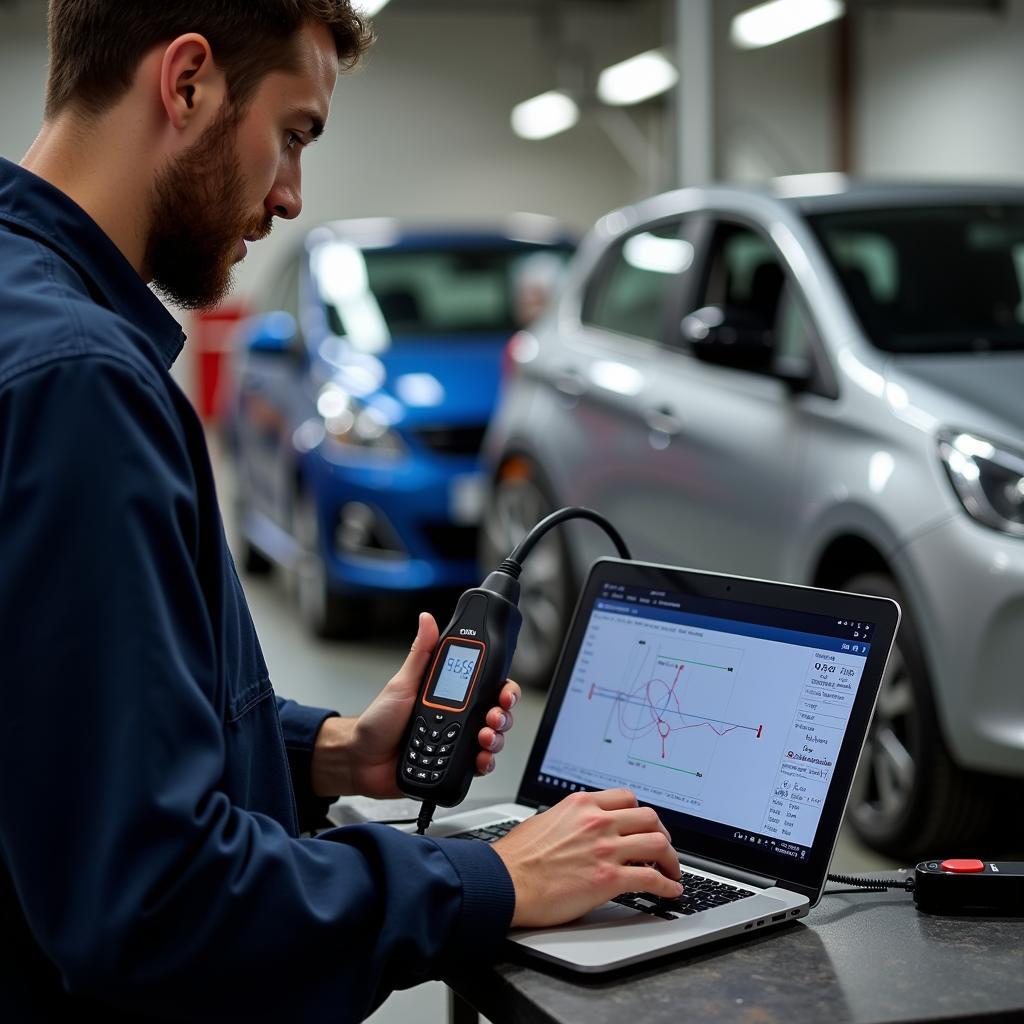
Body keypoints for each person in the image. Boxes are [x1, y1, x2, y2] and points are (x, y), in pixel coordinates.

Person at [0, 2, 683, 1020]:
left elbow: (64, 727)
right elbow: (154, 904)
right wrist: (495, 879)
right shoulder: (81, 385)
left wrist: (332, 752)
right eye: (293, 135)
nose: (288, 194)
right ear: (185, 82)